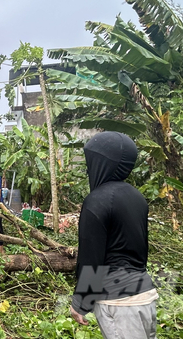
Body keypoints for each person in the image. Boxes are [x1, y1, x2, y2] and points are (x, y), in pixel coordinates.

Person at [70, 132, 158, 338]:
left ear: (101, 163)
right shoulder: (138, 198)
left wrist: (81, 303)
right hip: (144, 295)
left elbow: (91, 258)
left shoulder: (97, 201)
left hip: (118, 302)